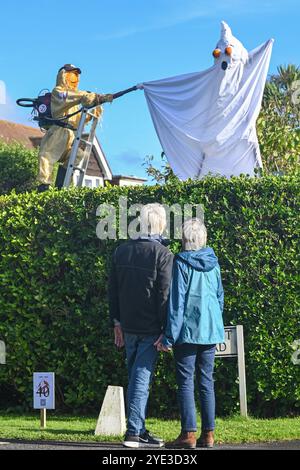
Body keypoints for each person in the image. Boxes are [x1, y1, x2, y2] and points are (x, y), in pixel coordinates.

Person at [108, 203, 174, 448]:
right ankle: (134, 432)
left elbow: (112, 291)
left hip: (127, 324)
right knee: (141, 379)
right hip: (150, 328)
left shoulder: (121, 251)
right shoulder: (163, 254)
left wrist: (116, 321)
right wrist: (166, 330)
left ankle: (140, 428)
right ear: (160, 224)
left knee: (135, 375)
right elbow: (164, 296)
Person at [156, 218, 224, 449]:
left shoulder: (181, 262)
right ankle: (209, 434)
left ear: (185, 239)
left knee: (185, 382)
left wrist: (168, 337)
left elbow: (177, 303)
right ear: (203, 238)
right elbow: (219, 297)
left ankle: (188, 435)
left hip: (187, 331)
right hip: (210, 330)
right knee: (207, 382)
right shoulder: (214, 263)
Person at [37, 64, 113, 192]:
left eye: (76, 75)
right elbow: (75, 96)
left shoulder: (74, 99)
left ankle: (61, 186)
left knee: (77, 154)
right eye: (72, 74)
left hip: (70, 134)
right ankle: (43, 186)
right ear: (63, 75)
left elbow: (76, 120)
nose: (75, 78)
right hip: (58, 132)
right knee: (47, 156)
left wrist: (93, 113)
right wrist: (93, 97)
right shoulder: (59, 92)